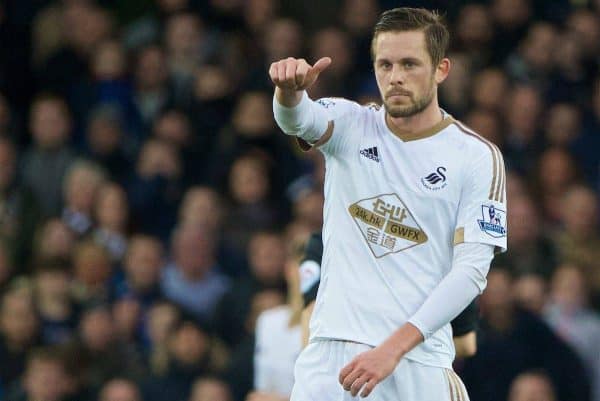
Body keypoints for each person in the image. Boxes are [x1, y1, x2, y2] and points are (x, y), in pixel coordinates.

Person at [270, 7, 507, 400]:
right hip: (329, 359)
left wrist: (391, 350)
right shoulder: (351, 124)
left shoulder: (476, 156)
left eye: (410, 64)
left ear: (441, 70)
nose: (395, 76)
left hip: (416, 363)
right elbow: (298, 119)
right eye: (385, 64)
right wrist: (289, 91)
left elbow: (471, 272)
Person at [299, 232, 479, 357]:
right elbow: (312, 314)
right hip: (346, 373)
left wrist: (387, 352)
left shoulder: (442, 253)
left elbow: (466, 343)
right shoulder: (326, 241)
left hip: (412, 377)